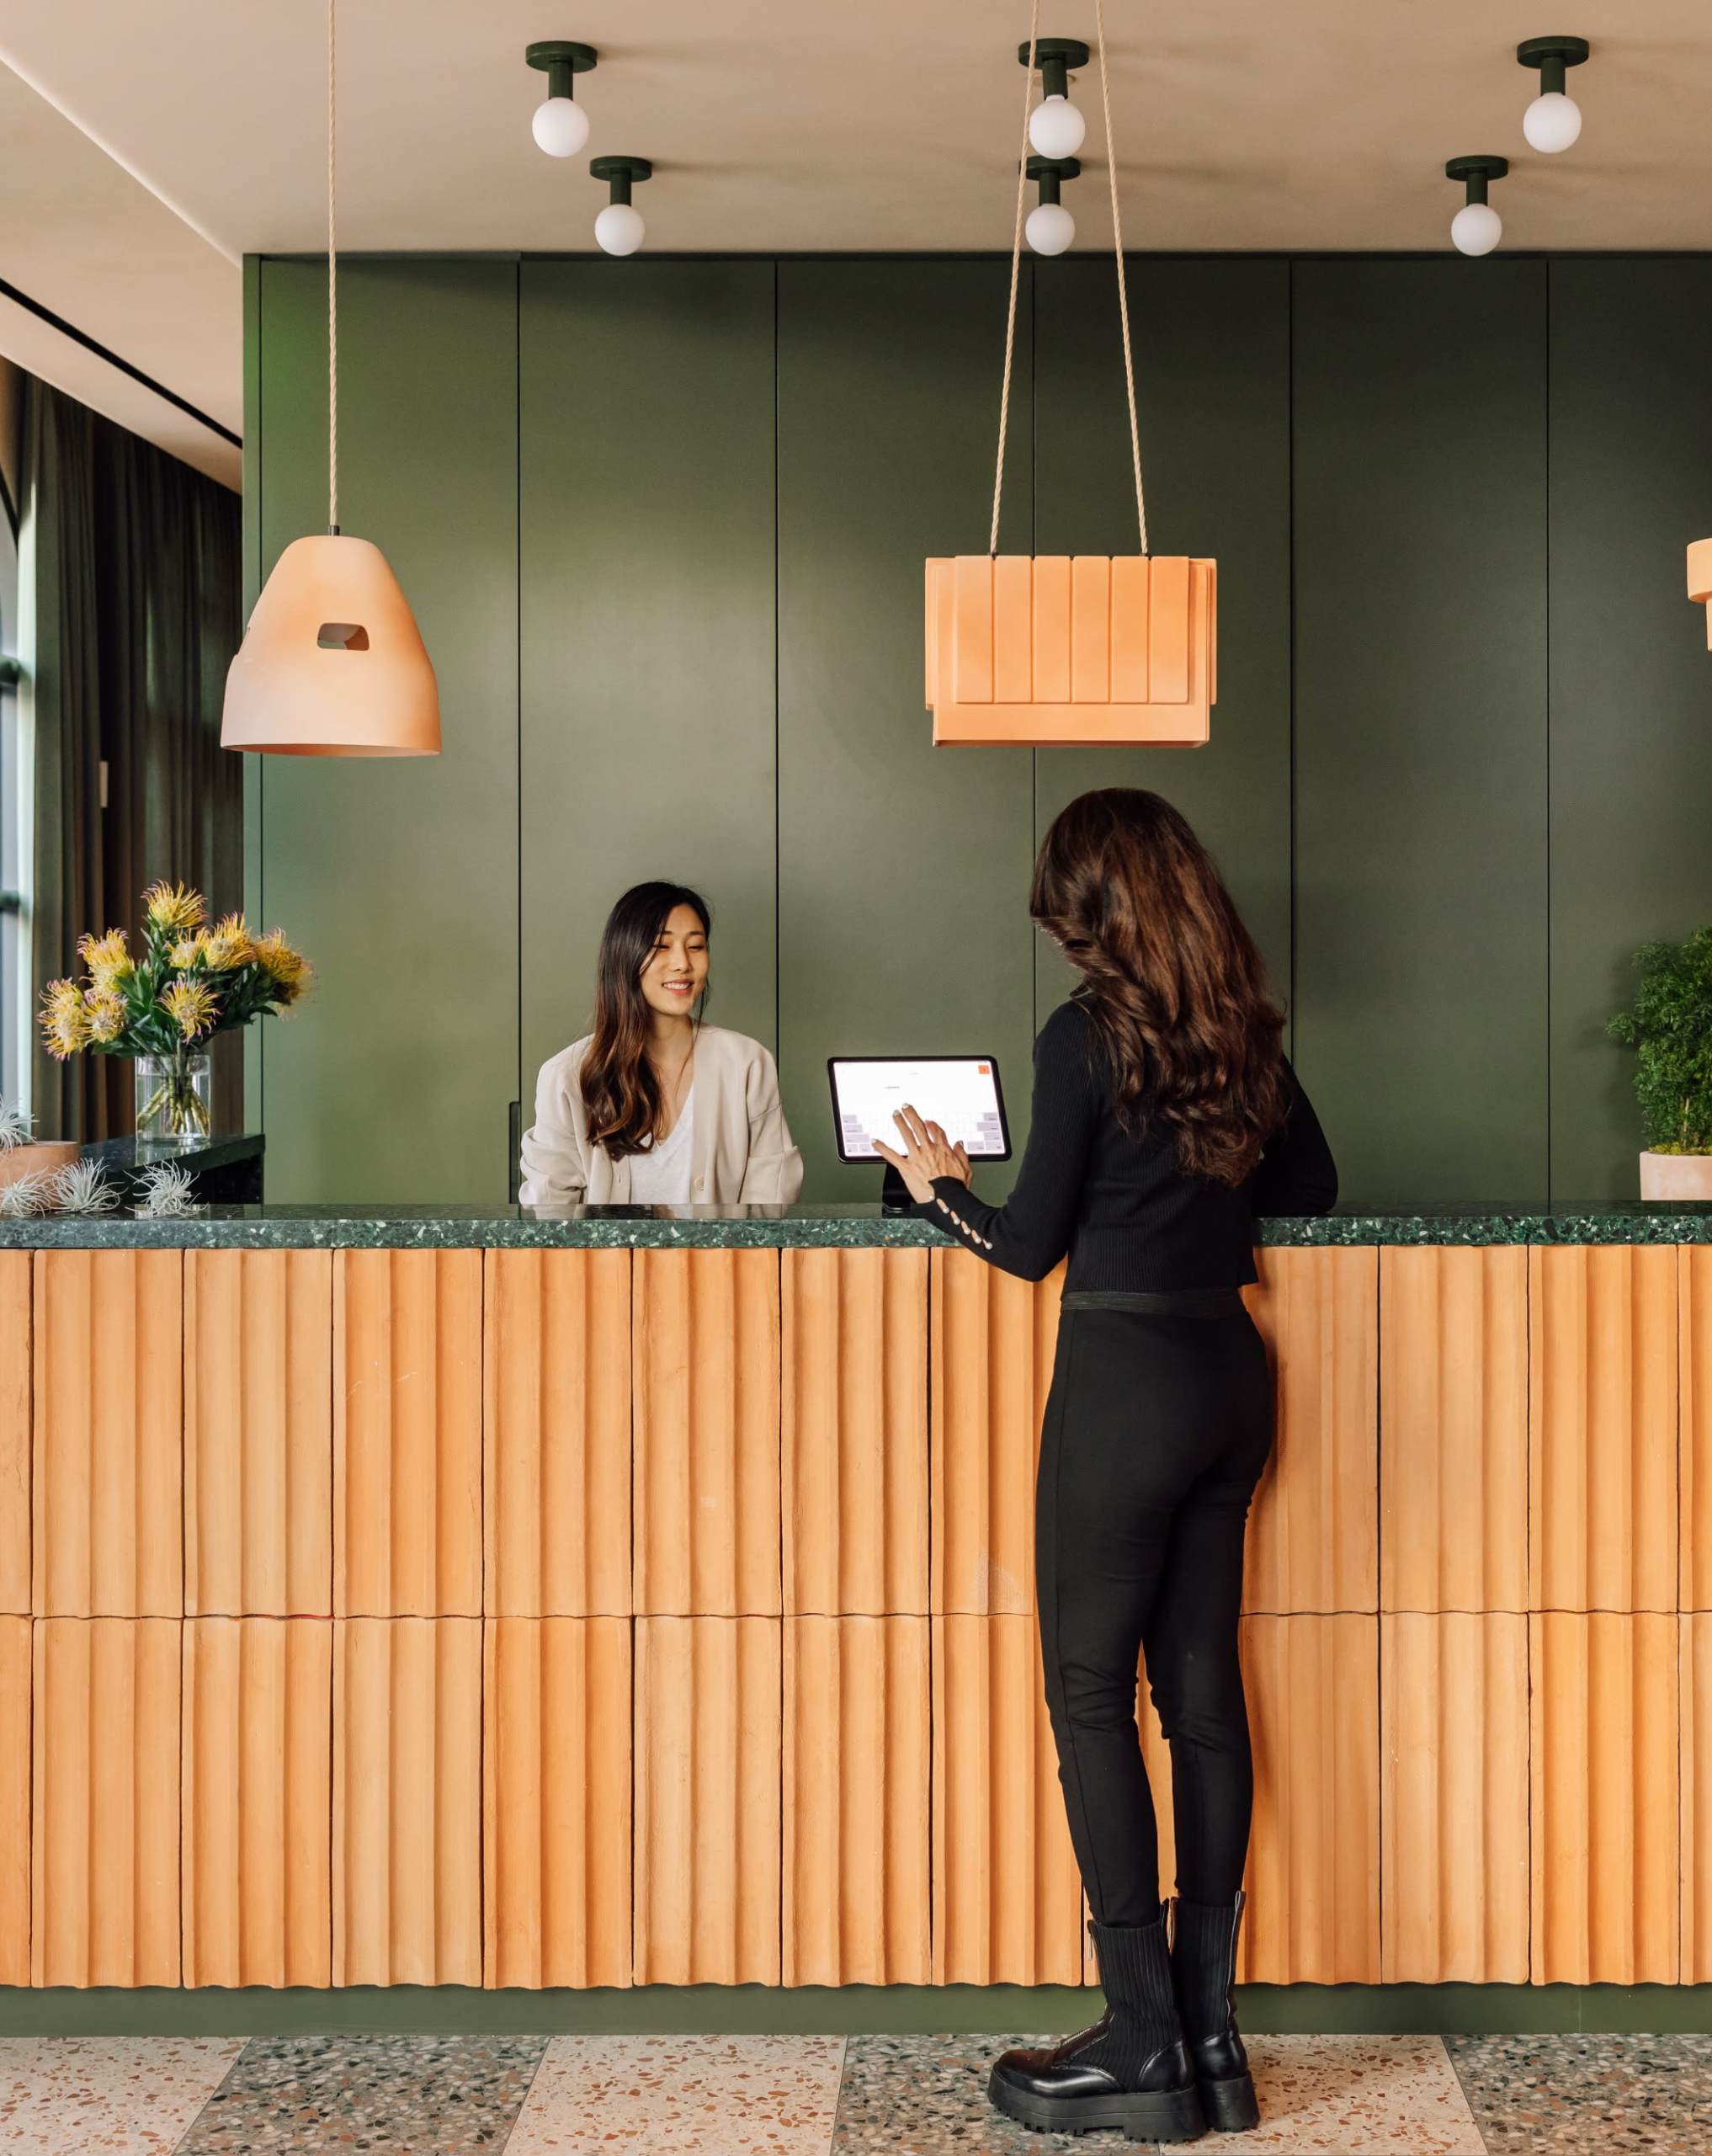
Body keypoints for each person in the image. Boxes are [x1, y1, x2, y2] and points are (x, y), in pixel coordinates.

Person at [876, 789, 1336, 2144]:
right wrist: (1200, 1177)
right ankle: (1209, 2032)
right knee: (1200, 1694)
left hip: (1125, 1386)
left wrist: (936, 1189)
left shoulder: (1084, 1039)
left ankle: (1139, 2038)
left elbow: (1025, 1249)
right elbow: (1308, 1184)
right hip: (1231, 1379)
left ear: (1094, 907)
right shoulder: (1238, 1028)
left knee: (1090, 1696)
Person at [517, 881, 802, 1206]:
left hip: (723, 1260)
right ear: (625, 956)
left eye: (696, 947)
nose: (682, 963)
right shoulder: (566, 1075)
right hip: (602, 1260)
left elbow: (771, 1204)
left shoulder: (748, 1063)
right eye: (662, 946)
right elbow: (549, 1215)